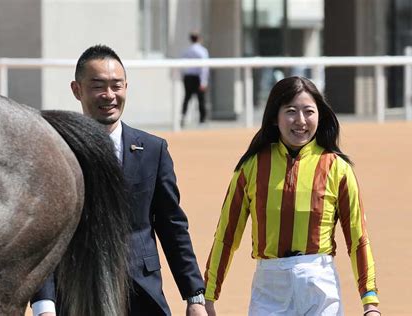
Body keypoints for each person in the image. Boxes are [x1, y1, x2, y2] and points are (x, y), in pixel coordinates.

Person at [31, 45, 207, 316]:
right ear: (77, 90)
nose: (109, 95)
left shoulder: (153, 150)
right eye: (98, 86)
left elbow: (172, 226)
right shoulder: (56, 151)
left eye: (116, 85)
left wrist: (194, 295)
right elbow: (44, 235)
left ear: (126, 87)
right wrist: (45, 305)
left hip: (141, 294)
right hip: (77, 295)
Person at [203, 76, 381, 316]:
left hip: (319, 287)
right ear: (275, 118)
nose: (300, 121)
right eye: (291, 112)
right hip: (269, 289)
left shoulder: (338, 169)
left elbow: (358, 238)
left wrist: (370, 302)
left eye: (309, 112)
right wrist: (208, 295)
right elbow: (226, 235)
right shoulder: (251, 167)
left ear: (320, 115)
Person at [180, 32, 209, 127]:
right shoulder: (202, 51)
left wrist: (182, 77)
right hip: (197, 77)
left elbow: (182, 65)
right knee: (201, 99)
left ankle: (183, 116)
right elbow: (204, 67)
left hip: (188, 77)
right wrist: (203, 81)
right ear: (199, 39)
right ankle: (202, 120)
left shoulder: (186, 51)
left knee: (187, 98)